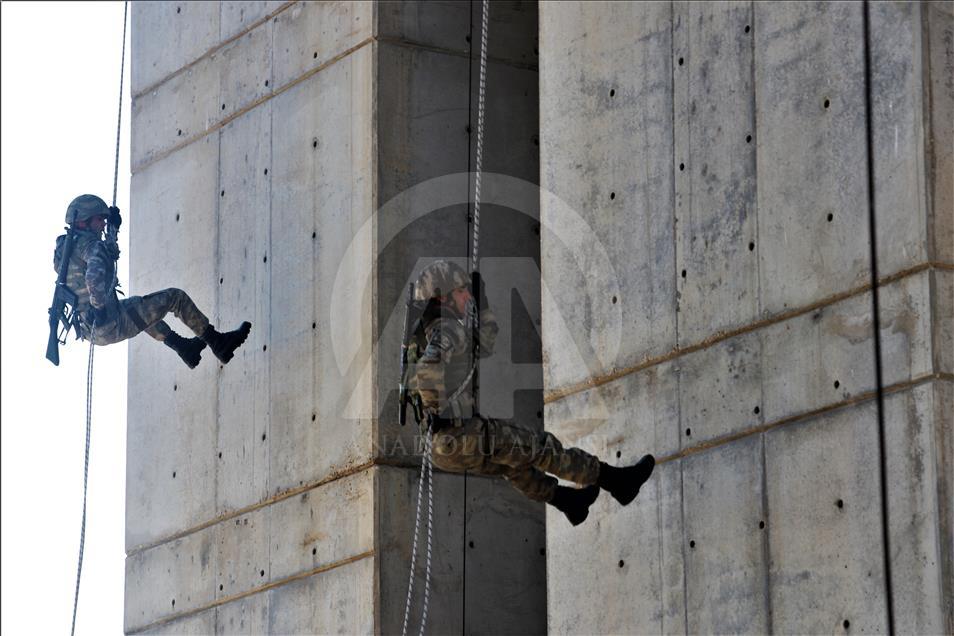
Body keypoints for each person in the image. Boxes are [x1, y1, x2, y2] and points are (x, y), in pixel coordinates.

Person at [406, 260, 655, 526]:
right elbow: (428, 371)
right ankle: (616, 482)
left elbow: (483, 345)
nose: (467, 296)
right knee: (539, 447)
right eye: (461, 291)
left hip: (442, 451)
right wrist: (439, 410)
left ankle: (567, 501)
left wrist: (483, 304)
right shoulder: (448, 329)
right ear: (442, 297)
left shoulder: (423, 338)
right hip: (460, 433)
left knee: (514, 465)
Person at [53, 194, 251, 368]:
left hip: (92, 330)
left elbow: (107, 255)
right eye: (100, 219)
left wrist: (112, 229)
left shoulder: (65, 250)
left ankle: (185, 349)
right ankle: (218, 342)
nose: (103, 224)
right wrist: (99, 308)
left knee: (139, 307)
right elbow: (94, 275)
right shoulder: (90, 246)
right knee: (175, 297)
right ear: (84, 221)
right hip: (107, 322)